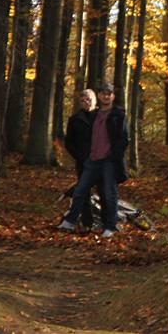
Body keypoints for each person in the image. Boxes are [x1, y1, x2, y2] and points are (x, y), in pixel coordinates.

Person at [58, 82, 129, 238]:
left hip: (109, 161)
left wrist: (113, 157)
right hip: (92, 160)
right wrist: (85, 156)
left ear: (113, 96)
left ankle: (110, 226)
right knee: (80, 190)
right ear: (99, 96)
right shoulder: (94, 115)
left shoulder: (118, 115)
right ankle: (70, 221)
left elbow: (124, 139)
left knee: (109, 194)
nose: (106, 96)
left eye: (109, 94)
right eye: (103, 93)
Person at [64, 89, 99, 229]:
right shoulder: (74, 120)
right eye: (83, 101)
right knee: (83, 191)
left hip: (101, 160)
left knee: (105, 190)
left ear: (94, 100)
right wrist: (79, 156)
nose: (86, 103)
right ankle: (87, 222)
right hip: (83, 161)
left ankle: (108, 221)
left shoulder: (102, 117)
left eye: (88, 100)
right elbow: (69, 142)